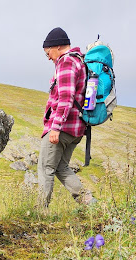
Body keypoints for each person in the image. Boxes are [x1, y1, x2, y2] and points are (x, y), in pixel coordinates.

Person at [38, 27, 94, 207]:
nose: (48, 57)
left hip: (62, 128)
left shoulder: (66, 62)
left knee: (45, 168)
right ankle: (90, 204)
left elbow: (66, 97)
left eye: (48, 52)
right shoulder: (80, 61)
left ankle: (40, 211)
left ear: (58, 46)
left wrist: (55, 127)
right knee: (61, 167)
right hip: (76, 129)